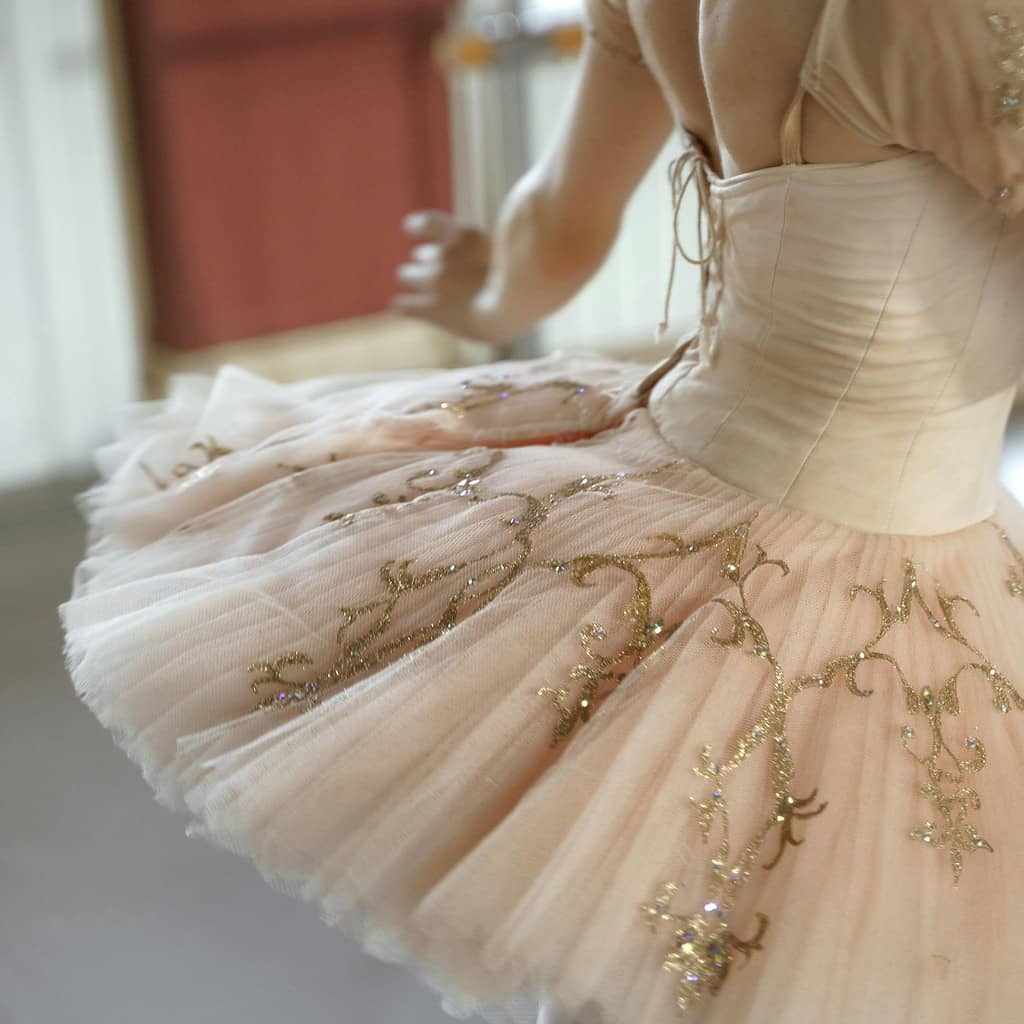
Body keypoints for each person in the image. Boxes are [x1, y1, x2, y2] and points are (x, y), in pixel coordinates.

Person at [62, 1, 1024, 1021]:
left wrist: (477, 293)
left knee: (638, 946)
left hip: (669, 475)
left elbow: (548, 240)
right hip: (874, 559)